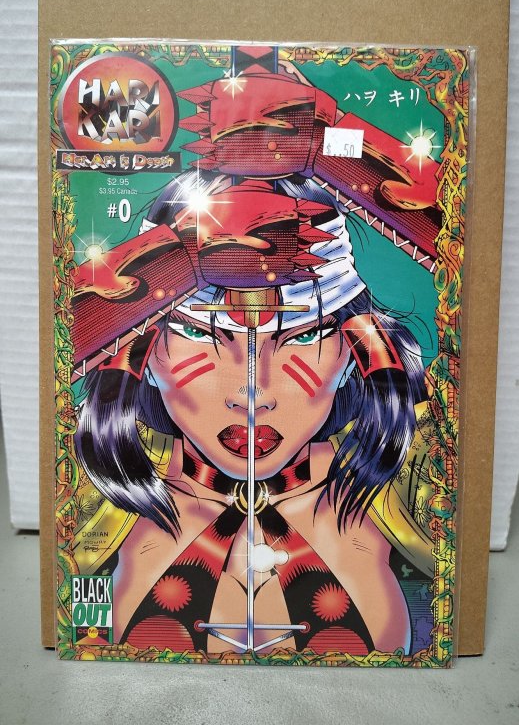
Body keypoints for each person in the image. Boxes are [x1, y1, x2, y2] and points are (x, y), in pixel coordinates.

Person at [73, 168, 435, 657]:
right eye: (200, 333)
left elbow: (467, 248)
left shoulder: (403, 481)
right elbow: (54, 338)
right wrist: (155, 274)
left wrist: (331, 155)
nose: (252, 392)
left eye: (305, 335)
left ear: (356, 349)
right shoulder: (93, 489)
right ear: (143, 352)